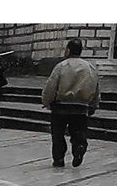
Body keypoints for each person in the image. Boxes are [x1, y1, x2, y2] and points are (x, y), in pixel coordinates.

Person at [41, 39, 100, 168]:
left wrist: (46, 101)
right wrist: (94, 104)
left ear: (67, 50)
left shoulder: (61, 66)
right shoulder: (90, 67)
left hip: (61, 106)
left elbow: (51, 85)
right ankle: (79, 147)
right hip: (81, 107)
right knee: (78, 131)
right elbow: (96, 87)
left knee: (58, 135)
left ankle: (59, 159)